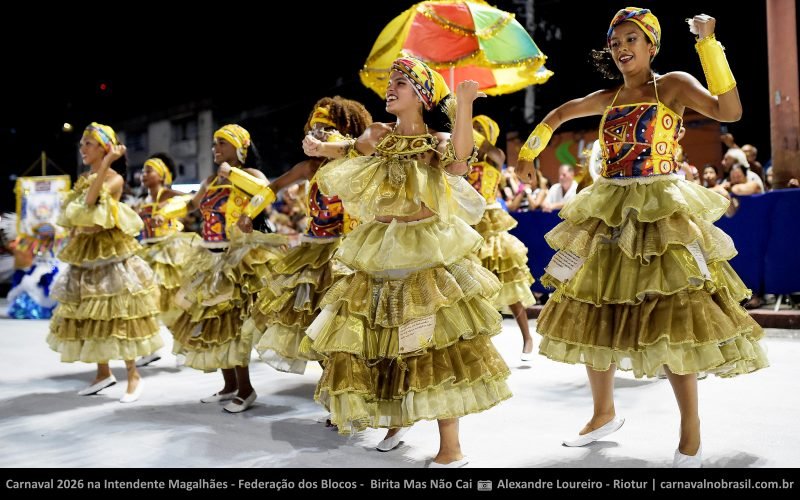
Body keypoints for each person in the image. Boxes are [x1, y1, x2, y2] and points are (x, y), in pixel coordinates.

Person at [516, 8, 767, 467]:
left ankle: (690, 430)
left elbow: (729, 110)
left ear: (651, 45)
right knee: (595, 310)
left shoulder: (670, 84)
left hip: (660, 213)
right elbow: (558, 113)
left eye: (632, 39)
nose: (622, 48)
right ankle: (602, 414)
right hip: (610, 211)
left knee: (671, 313)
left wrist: (708, 45)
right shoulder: (608, 98)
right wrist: (530, 150)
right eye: (615, 42)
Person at [301, 57, 511, 467]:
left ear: (422, 96)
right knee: (384, 337)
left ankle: (450, 446)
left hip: (425, 248)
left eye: (401, 82)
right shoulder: (379, 134)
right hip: (381, 245)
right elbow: (347, 148)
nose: (390, 88)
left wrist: (465, 103)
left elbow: (460, 160)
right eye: (390, 82)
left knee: (431, 342)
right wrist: (319, 147)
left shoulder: (436, 141)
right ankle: (398, 418)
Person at [237, 96, 372, 377]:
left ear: (345, 133)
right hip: (312, 254)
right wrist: (249, 213)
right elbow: (273, 187)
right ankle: (333, 383)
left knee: (345, 325)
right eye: (313, 129)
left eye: (325, 129)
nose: (316, 135)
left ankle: (354, 384)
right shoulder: (309, 168)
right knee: (314, 324)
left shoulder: (359, 162)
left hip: (348, 253)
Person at [161, 124, 286, 413]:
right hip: (211, 257)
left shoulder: (250, 174)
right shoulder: (210, 180)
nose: (215, 149)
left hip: (241, 259)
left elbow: (266, 194)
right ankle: (229, 385)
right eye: (214, 144)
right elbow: (192, 205)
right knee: (215, 324)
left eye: (222, 144)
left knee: (237, 326)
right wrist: (165, 209)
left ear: (240, 147)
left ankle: (246, 389)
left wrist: (232, 173)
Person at [48, 123, 163, 403]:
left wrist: (110, 162)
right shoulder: (88, 176)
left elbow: (89, 203)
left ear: (104, 147)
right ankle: (103, 373)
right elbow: (75, 215)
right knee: (90, 310)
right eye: (82, 144)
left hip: (110, 253)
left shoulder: (113, 178)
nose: (82, 148)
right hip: (85, 252)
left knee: (118, 311)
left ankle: (133, 376)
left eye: (89, 143)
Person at [470, 115, 536, 359]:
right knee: (474, 290)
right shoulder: (461, 157)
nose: (473, 131)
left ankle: (527, 337)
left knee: (508, 283)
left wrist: (468, 129)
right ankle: (482, 347)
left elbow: (490, 151)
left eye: (478, 128)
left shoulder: (494, 154)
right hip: (469, 224)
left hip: (491, 222)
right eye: (472, 127)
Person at [134, 153, 197, 367]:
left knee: (172, 304)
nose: (143, 175)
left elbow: (191, 200)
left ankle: (185, 344)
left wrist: (169, 212)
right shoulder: (143, 200)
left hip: (168, 253)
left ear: (161, 175)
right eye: (143, 171)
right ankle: (150, 348)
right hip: (147, 252)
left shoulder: (168, 194)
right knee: (145, 303)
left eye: (148, 170)